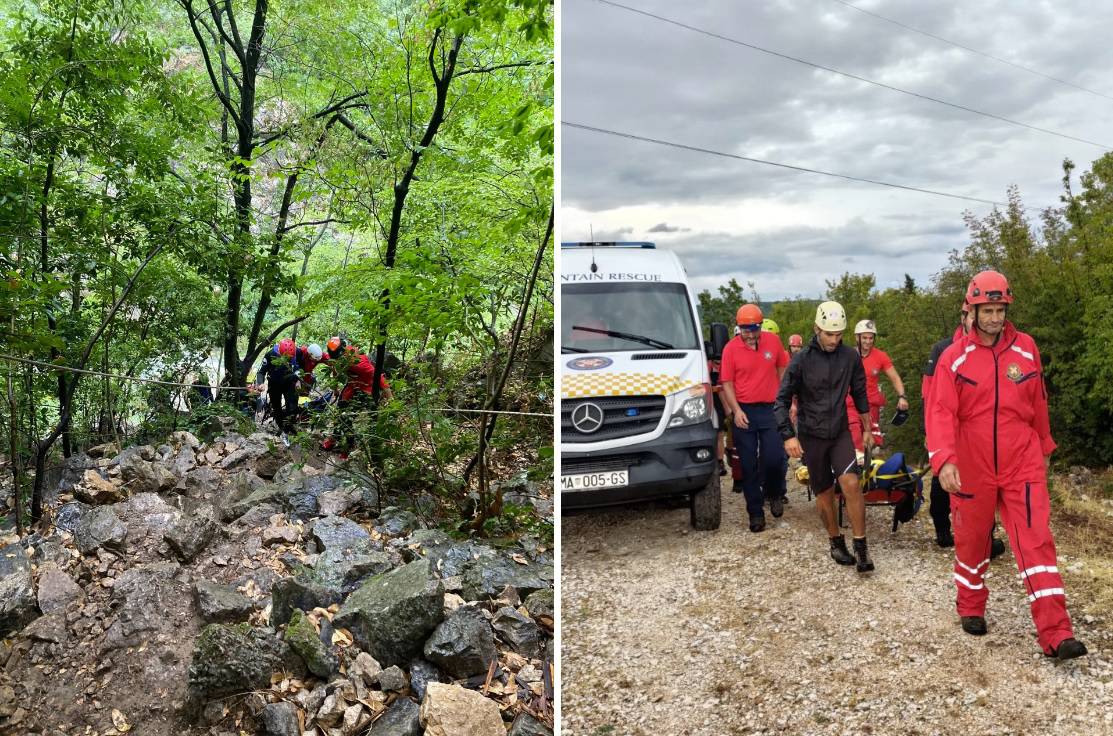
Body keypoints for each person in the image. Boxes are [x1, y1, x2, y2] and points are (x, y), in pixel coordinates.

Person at [926, 270, 1085, 658]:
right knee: (973, 540)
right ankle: (970, 604)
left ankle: (1056, 632)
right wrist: (944, 459)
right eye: (988, 310)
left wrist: (1044, 448)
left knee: (1035, 541)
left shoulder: (1027, 348)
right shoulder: (953, 358)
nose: (995, 317)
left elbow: (1039, 403)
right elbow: (940, 412)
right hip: (972, 464)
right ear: (972, 309)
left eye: (1000, 309)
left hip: (1022, 461)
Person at [775, 301, 876, 572]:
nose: (834, 339)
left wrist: (867, 429)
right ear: (817, 329)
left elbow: (860, 392)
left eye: (839, 334)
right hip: (812, 434)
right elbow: (781, 401)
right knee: (825, 492)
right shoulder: (801, 360)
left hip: (839, 430)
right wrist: (788, 436)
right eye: (830, 334)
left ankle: (861, 546)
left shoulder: (850, 357)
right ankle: (835, 540)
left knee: (852, 483)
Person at [922, 305, 1009, 557]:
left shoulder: (995, 350)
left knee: (984, 484)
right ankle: (941, 525)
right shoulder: (943, 349)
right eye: (973, 315)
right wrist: (930, 432)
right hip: (948, 429)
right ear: (964, 318)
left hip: (979, 436)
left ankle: (985, 537)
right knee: (944, 478)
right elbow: (929, 393)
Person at [720, 304, 789, 532]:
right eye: (744, 329)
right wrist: (736, 411)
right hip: (745, 412)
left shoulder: (773, 342)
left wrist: (789, 403)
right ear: (738, 328)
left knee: (774, 458)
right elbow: (727, 383)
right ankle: (756, 512)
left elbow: (782, 371)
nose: (749, 334)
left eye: (753, 328)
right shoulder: (730, 349)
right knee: (748, 464)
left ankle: (775, 492)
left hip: (771, 409)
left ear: (760, 325)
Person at [851, 319, 909, 451]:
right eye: (864, 338)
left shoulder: (880, 356)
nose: (868, 341)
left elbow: (894, 377)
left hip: (871, 406)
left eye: (871, 338)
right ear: (857, 337)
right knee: (853, 442)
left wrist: (902, 396)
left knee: (871, 444)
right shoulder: (848, 355)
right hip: (851, 406)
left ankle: (867, 468)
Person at [251, 338, 302, 440]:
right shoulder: (270, 354)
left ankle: (288, 428)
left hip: (290, 383)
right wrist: (260, 384)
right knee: (276, 407)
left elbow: (299, 367)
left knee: (292, 407)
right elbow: (261, 372)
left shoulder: (298, 352)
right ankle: (282, 428)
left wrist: (298, 380)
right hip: (274, 384)